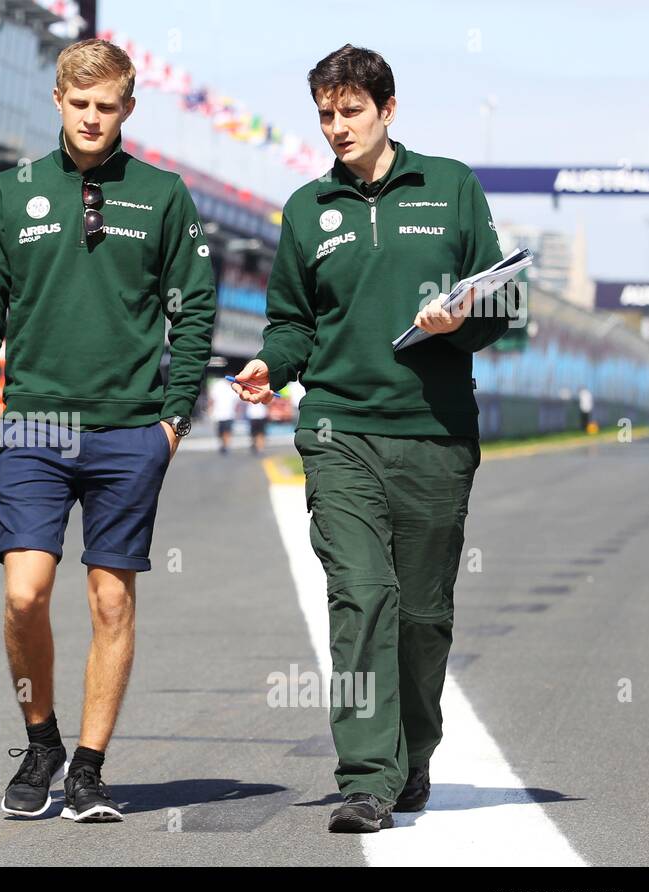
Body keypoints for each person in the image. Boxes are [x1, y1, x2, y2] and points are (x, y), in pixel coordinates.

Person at [232, 45, 517, 833]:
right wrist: (269, 365)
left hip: (435, 434)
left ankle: (413, 751)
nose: (336, 127)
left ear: (388, 110)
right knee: (362, 595)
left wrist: (463, 318)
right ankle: (365, 774)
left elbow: (503, 303)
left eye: (350, 111)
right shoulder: (305, 208)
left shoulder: (452, 185)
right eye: (325, 114)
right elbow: (292, 324)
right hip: (338, 431)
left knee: (424, 614)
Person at [0, 38, 216, 822]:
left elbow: (194, 306)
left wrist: (174, 417)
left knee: (109, 602)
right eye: (81, 104)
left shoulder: (164, 195)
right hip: (35, 425)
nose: (94, 118)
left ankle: (90, 769)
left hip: (131, 429)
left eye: (109, 106)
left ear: (129, 108)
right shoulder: (9, 194)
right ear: (58, 102)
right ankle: (41, 740)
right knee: (25, 596)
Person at [208, 374, 240, 454]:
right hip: (219, 414)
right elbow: (212, 399)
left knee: (227, 431)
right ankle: (223, 444)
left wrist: (237, 411)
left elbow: (236, 401)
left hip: (229, 414)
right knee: (220, 432)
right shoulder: (218, 385)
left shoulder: (233, 387)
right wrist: (210, 409)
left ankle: (226, 446)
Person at [244, 388, 270, 455]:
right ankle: (256, 446)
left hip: (261, 415)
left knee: (261, 433)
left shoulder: (263, 390)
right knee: (254, 434)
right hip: (252, 415)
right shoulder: (248, 392)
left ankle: (260, 448)